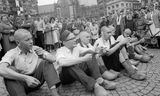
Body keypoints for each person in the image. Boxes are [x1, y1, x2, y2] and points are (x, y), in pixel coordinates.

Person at [0, 29, 60, 96]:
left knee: (46, 63)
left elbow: (53, 59)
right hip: (20, 84)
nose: (31, 41)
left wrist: (43, 56)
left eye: (31, 38)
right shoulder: (12, 53)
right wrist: (25, 78)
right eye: (27, 40)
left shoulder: (36, 49)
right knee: (8, 74)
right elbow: (1, 69)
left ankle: (55, 94)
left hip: (36, 82)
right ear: (18, 43)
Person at [56, 30, 117, 96]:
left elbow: (89, 50)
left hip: (76, 74)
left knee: (89, 55)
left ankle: (100, 80)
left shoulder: (76, 48)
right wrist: (82, 59)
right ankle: (95, 85)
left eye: (74, 38)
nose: (75, 40)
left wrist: (97, 50)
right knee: (69, 65)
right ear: (64, 42)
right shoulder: (60, 50)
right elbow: (62, 62)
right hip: (65, 78)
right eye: (72, 39)